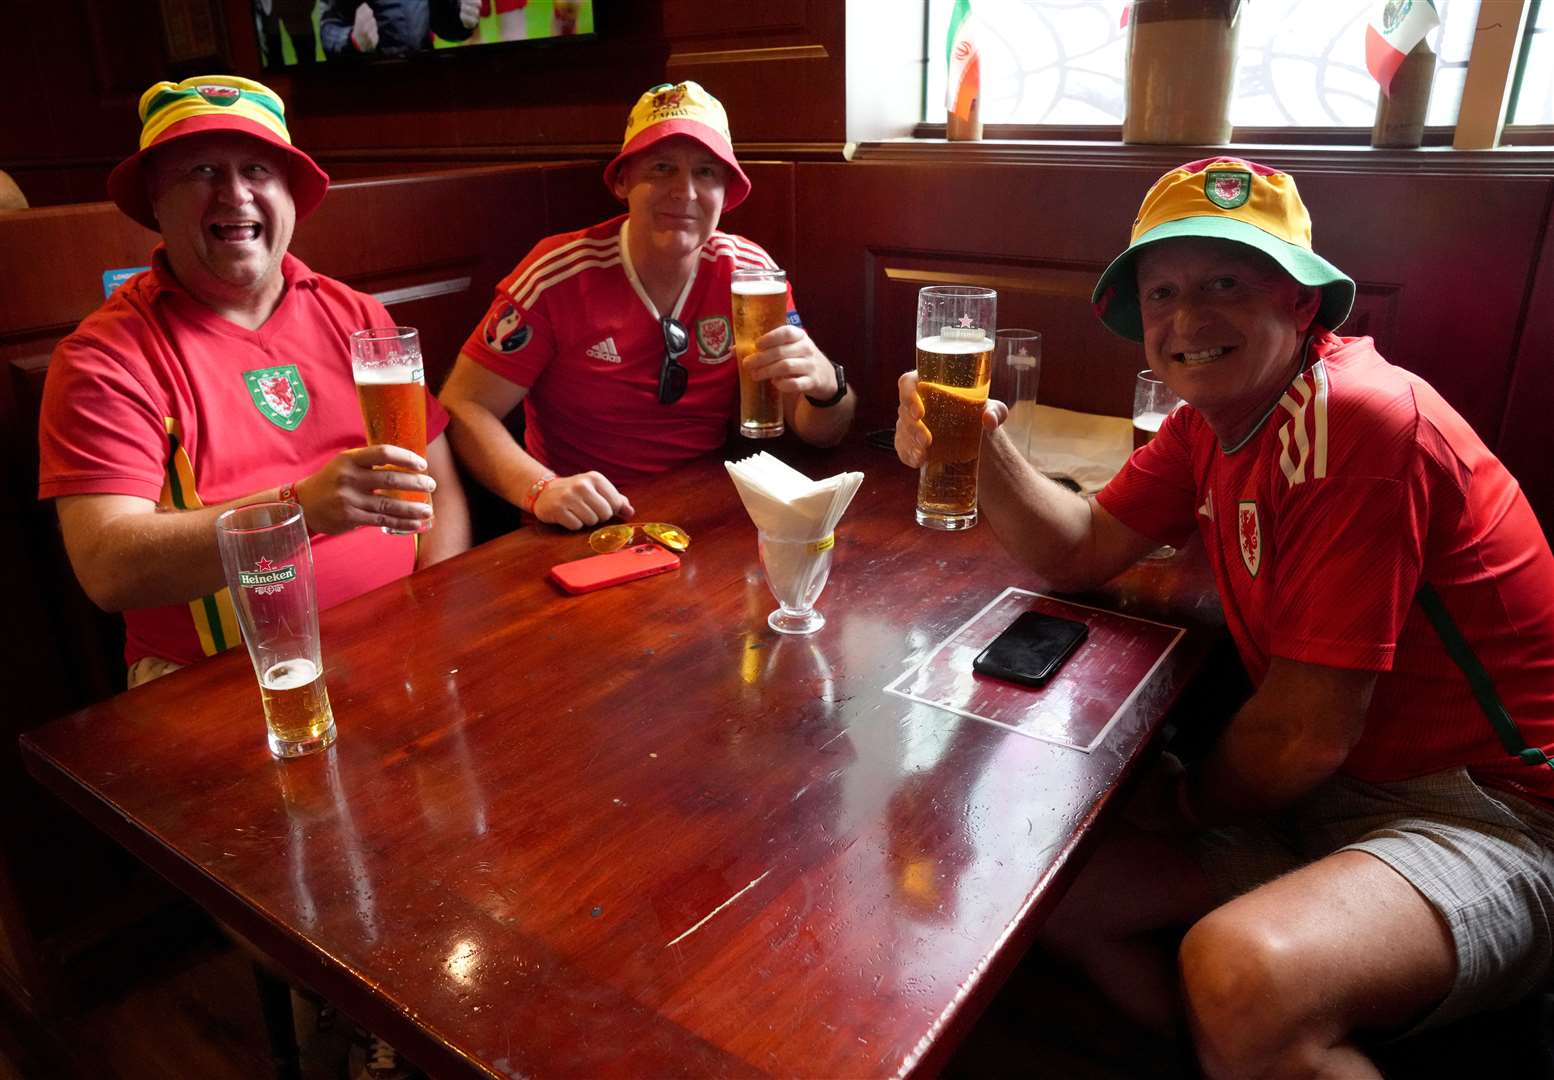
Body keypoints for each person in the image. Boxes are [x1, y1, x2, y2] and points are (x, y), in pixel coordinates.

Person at [894, 157, 1554, 1077]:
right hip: (1328, 794)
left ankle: (1265, 1036)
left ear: (1299, 303)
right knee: (1052, 904)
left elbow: (1303, 735)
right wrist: (979, 434)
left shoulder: (1359, 423)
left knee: (1242, 976)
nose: (1187, 318)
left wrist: (1183, 803)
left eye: (1225, 283)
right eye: (1162, 291)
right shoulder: (1214, 419)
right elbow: (1079, 545)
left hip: (1490, 812)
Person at [37, 73, 466, 1080]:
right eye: (201, 173)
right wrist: (301, 515)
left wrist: (436, 618)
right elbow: (105, 565)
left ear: (292, 193)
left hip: (399, 646)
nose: (234, 196)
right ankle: (357, 1031)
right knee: (333, 904)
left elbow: (438, 488)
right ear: (156, 202)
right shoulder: (108, 358)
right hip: (225, 691)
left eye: (256, 170)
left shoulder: (357, 315)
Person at [439, 80, 854, 530]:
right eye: (661, 168)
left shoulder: (752, 274)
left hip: (704, 516)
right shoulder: (554, 273)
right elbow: (462, 406)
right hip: (580, 525)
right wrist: (540, 488)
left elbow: (821, 430)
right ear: (623, 181)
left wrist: (827, 388)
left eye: (706, 172)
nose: (686, 192)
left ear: (726, 192)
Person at [319, 0, 479, 58]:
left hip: (425, 82)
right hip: (370, 90)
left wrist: (462, 19)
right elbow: (329, 29)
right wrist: (352, 40)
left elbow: (441, 20)